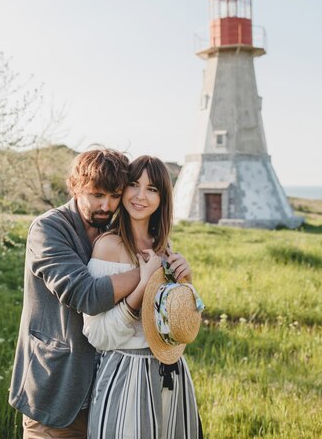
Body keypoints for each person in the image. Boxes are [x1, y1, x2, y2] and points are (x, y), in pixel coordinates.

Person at [9, 148, 142, 438]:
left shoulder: (115, 229)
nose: (106, 205)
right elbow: (86, 295)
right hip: (56, 386)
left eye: (115, 195)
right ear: (75, 186)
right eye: (97, 195)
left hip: (108, 387)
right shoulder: (48, 229)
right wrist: (146, 274)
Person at [83, 155, 202, 439]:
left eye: (152, 189)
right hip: (127, 374)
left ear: (162, 198)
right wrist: (143, 283)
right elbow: (97, 335)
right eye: (134, 184)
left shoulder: (164, 246)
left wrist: (186, 284)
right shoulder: (108, 247)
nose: (140, 196)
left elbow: (178, 324)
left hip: (171, 373)